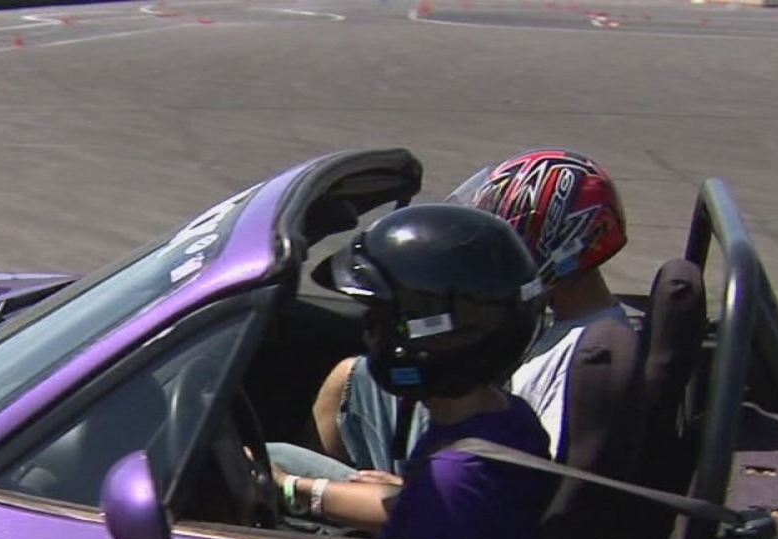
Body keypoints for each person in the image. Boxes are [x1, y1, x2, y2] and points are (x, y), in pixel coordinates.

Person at [268, 148, 634, 486]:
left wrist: (406, 491)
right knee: (354, 375)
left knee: (272, 459)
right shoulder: (572, 324)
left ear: (551, 242)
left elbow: (530, 478)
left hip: (473, 482)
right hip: (473, 450)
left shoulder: (578, 358)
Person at [268, 203, 557, 539]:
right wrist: (412, 493)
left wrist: (286, 487)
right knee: (279, 456)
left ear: (428, 340)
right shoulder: (506, 417)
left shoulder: (457, 480)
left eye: (379, 321)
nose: (369, 335)